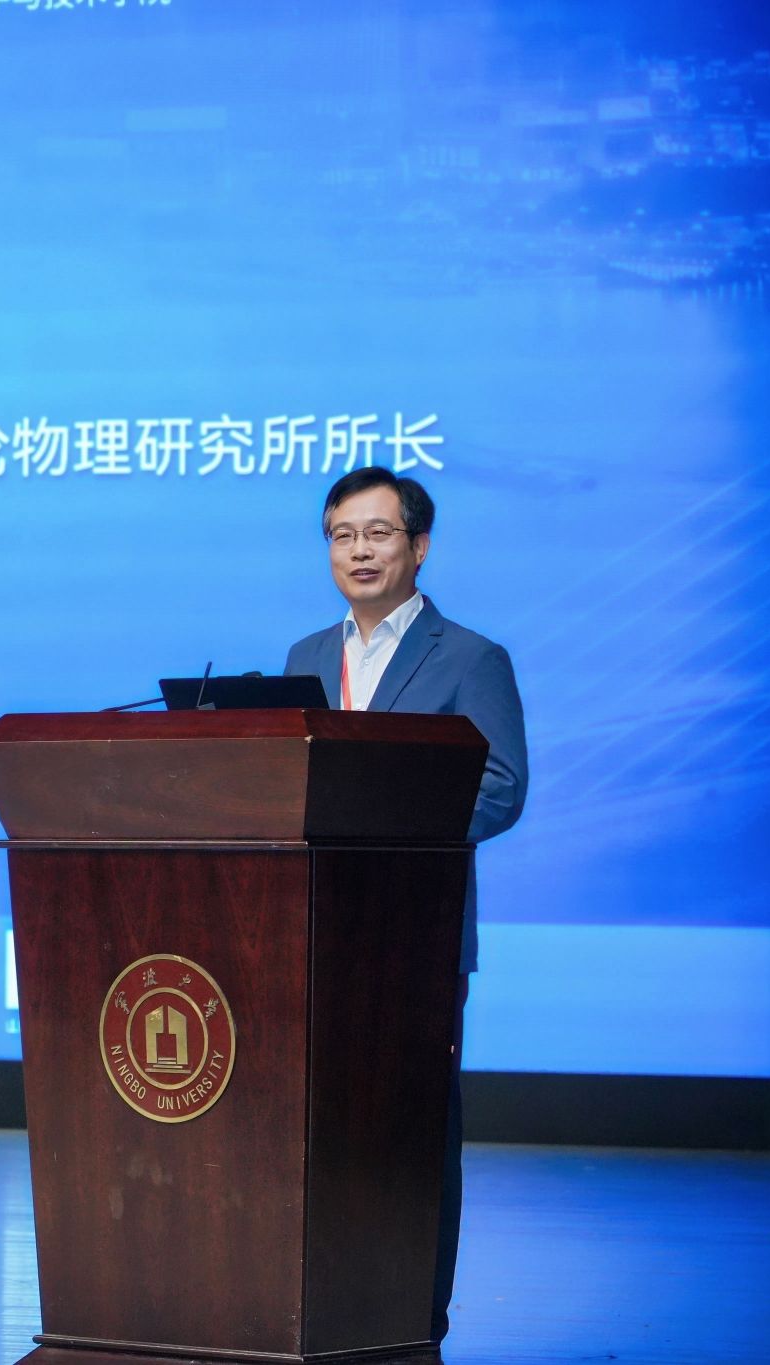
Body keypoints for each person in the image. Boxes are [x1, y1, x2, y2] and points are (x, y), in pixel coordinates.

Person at [283, 466, 527, 1345]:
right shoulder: (306, 657)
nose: (360, 550)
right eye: (342, 535)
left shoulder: (470, 658)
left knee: (412, 1131)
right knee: (319, 1128)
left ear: (419, 546)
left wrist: (382, 826)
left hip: (413, 936)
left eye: (378, 533)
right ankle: (322, 1307)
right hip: (314, 937)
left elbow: (500, 788)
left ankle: (414, 1320)